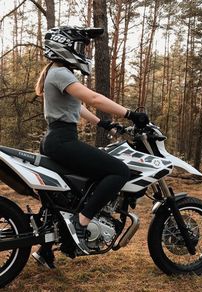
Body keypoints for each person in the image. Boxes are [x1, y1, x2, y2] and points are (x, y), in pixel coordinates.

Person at [32, 26, 149, 269]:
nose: (82, 51)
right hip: (63, 141)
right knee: (119, 171)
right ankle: (81, 222)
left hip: (55, 139)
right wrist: (130, 114)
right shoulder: (61, 72)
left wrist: (104, 124)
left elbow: (77, 108)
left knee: (61, 198)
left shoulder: (54, 72)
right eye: (79, 46)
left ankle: (46, 251)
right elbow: (92, 99)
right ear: (64, 46)